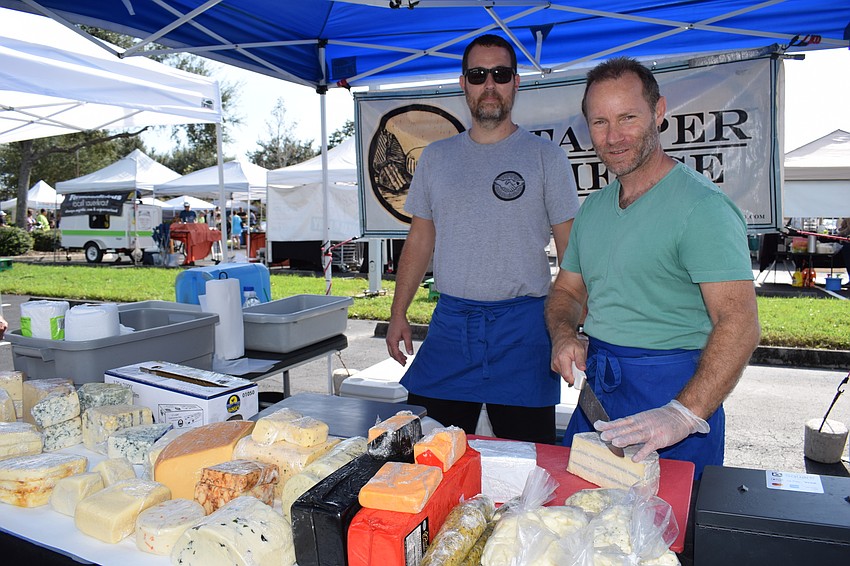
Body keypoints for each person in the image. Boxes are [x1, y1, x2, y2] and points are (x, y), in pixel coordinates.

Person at [545, 57, 760, 477]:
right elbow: (568, 293)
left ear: (658, 112)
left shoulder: (702, 209)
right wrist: (563, 335)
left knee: (666, 536)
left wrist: (683, 413)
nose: (614, 136)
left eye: (628, 117)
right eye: (600, 122)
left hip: (677, 396)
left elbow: (740, 324)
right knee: (581, 526)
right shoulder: (593, 210)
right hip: (602, 396)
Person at [386, 34, 580, 444]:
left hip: (526, 330)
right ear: (464, 84)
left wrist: (574, 327)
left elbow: (572, 253)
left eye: (500, 73)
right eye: (478, 75)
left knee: (529, 462)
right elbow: (420, 239)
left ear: (516, 82)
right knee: (429, 456)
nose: (489, 84)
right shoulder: (437, 158)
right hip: (452, 327)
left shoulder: (546, 157)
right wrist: (398, 311)